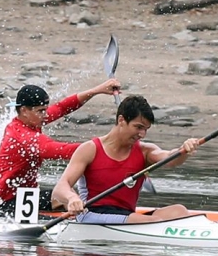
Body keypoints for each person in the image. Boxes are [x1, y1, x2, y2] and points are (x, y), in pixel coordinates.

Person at [0, 79, 122, 217]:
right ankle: (92, 219)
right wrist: (108, 145)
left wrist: (97, 90)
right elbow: (63, 150)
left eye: (45, 110)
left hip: (22, 198)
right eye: (41, 111)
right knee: (65, 197)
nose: (45, 115)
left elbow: (62, 107)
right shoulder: (23, 137)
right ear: (24, 110)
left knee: (65, 198)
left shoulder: (30, 120)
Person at [52, 94, 200, 224]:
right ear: (121, 120)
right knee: (152, 221)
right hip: (92, 214)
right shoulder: (90, 149)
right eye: (139, 127)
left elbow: (170, 158)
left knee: (179, 211)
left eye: (146, 129)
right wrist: (72, 198)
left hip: (126, 215)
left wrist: (183, 150)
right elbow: (60, 188)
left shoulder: (145, 151)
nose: (142, 134)